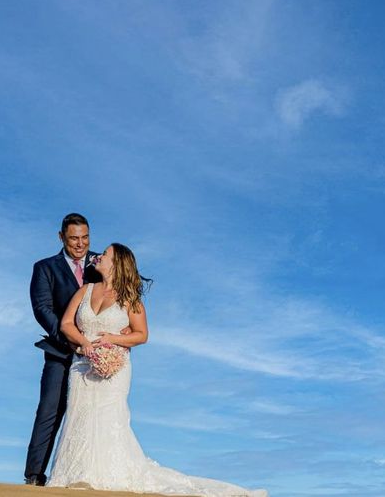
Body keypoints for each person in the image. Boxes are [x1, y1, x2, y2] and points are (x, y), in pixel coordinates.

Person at [47, 243, 268, 497]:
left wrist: (113, 339)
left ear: (117, 263)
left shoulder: (130, 299)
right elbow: (66, 324)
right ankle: (75, 473)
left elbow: (142, 335)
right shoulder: (85, 290)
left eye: (105, 254)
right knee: (79, 413)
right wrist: (86, 345)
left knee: (109, 417)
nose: (98, 256)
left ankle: (105, 474)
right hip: (82, 365)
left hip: (114, 368)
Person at [23, 213, 101, 486]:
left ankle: (94, 475)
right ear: (61, 237)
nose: (80, 244)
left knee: (96, 412)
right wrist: (73, 340)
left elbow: (125, 294)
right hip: (60, 351)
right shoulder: (45, 267)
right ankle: (34, 475)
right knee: (49, 411)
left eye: (85, 237)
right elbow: (42, 308)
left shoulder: (104, 262)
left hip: (98, 354)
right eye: (73, 238)